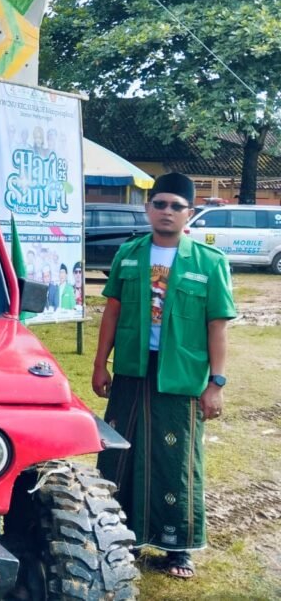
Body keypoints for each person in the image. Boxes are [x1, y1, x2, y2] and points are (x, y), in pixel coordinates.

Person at [92, 172, 236, 580]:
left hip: (181, 374)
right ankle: (122, 536)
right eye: (160, 204)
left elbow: (217, 326)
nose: (167, 211)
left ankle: (178, 548)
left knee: (177, 459)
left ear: (189, 213)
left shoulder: (209, 262)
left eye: (176, 206)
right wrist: (101, 363)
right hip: (133, 369)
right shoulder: (130, 254)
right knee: (120, 453)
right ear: (148, 208)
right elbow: (113, 312)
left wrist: (216, 383)